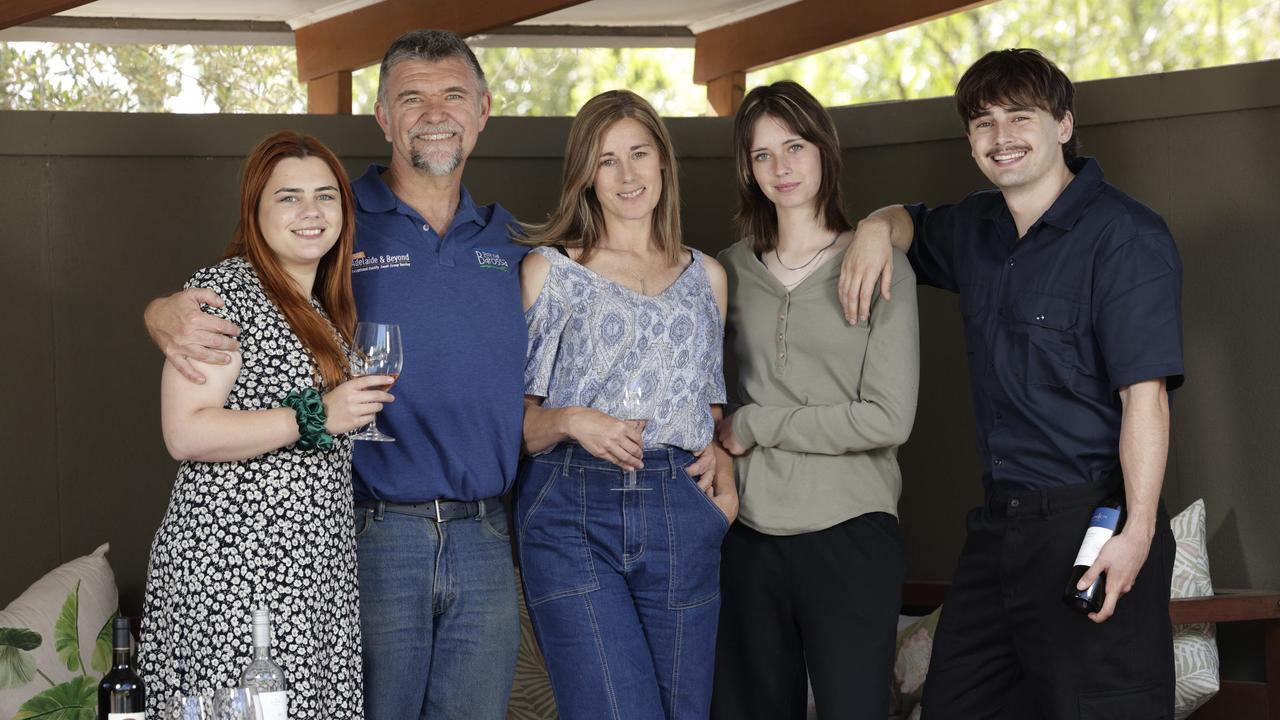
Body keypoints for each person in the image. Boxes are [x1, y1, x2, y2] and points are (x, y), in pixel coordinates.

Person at [144, 30, 530, 719]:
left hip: (473, 536)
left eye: (452, 95)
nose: (434, 112)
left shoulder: (515, 242)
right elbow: (204, 372)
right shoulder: (343, 223)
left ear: (483, 109)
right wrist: (162, 311)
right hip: (367, 534)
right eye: (411, 97)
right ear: (383, 117)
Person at [838, 49, 1183, 719]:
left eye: (1020, 117)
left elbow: (1146, 397)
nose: (1001, 138)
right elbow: (910, 219)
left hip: (1094, 519)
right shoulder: (976, 228)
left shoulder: (1126, 237)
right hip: (999, 529)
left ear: (1063, 125)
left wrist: (1137, 531)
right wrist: (876, 227)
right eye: (983, 123)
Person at [138, 131, 392, 718]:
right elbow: (186, 432)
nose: (311, 212)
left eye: (326, 196)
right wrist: (318, 416)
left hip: (310, 565)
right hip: (238, 564)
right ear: (254, 211)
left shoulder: (321, 305)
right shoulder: (225, 294)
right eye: (288, 197)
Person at [516, 89, 738, 720]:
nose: (627, 174)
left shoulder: (709, 278)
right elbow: (514, 427)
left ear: (663, 162)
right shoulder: (551, 271)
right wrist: (571, 420)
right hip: (570, 512)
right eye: (607, 159)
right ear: (586, 175)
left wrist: (722, 478)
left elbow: (708, 415)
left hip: (680, 508)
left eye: (638, 153)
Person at [709, 80, 919, 720]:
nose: (781, 168)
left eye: (794, 147)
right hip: (748, 537)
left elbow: (888, 419)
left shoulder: (882, 265)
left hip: (851, 536)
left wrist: (758, 423)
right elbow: (706, 404)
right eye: (762, 154)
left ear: (823, 149)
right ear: (748, 169)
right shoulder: (725, 270)